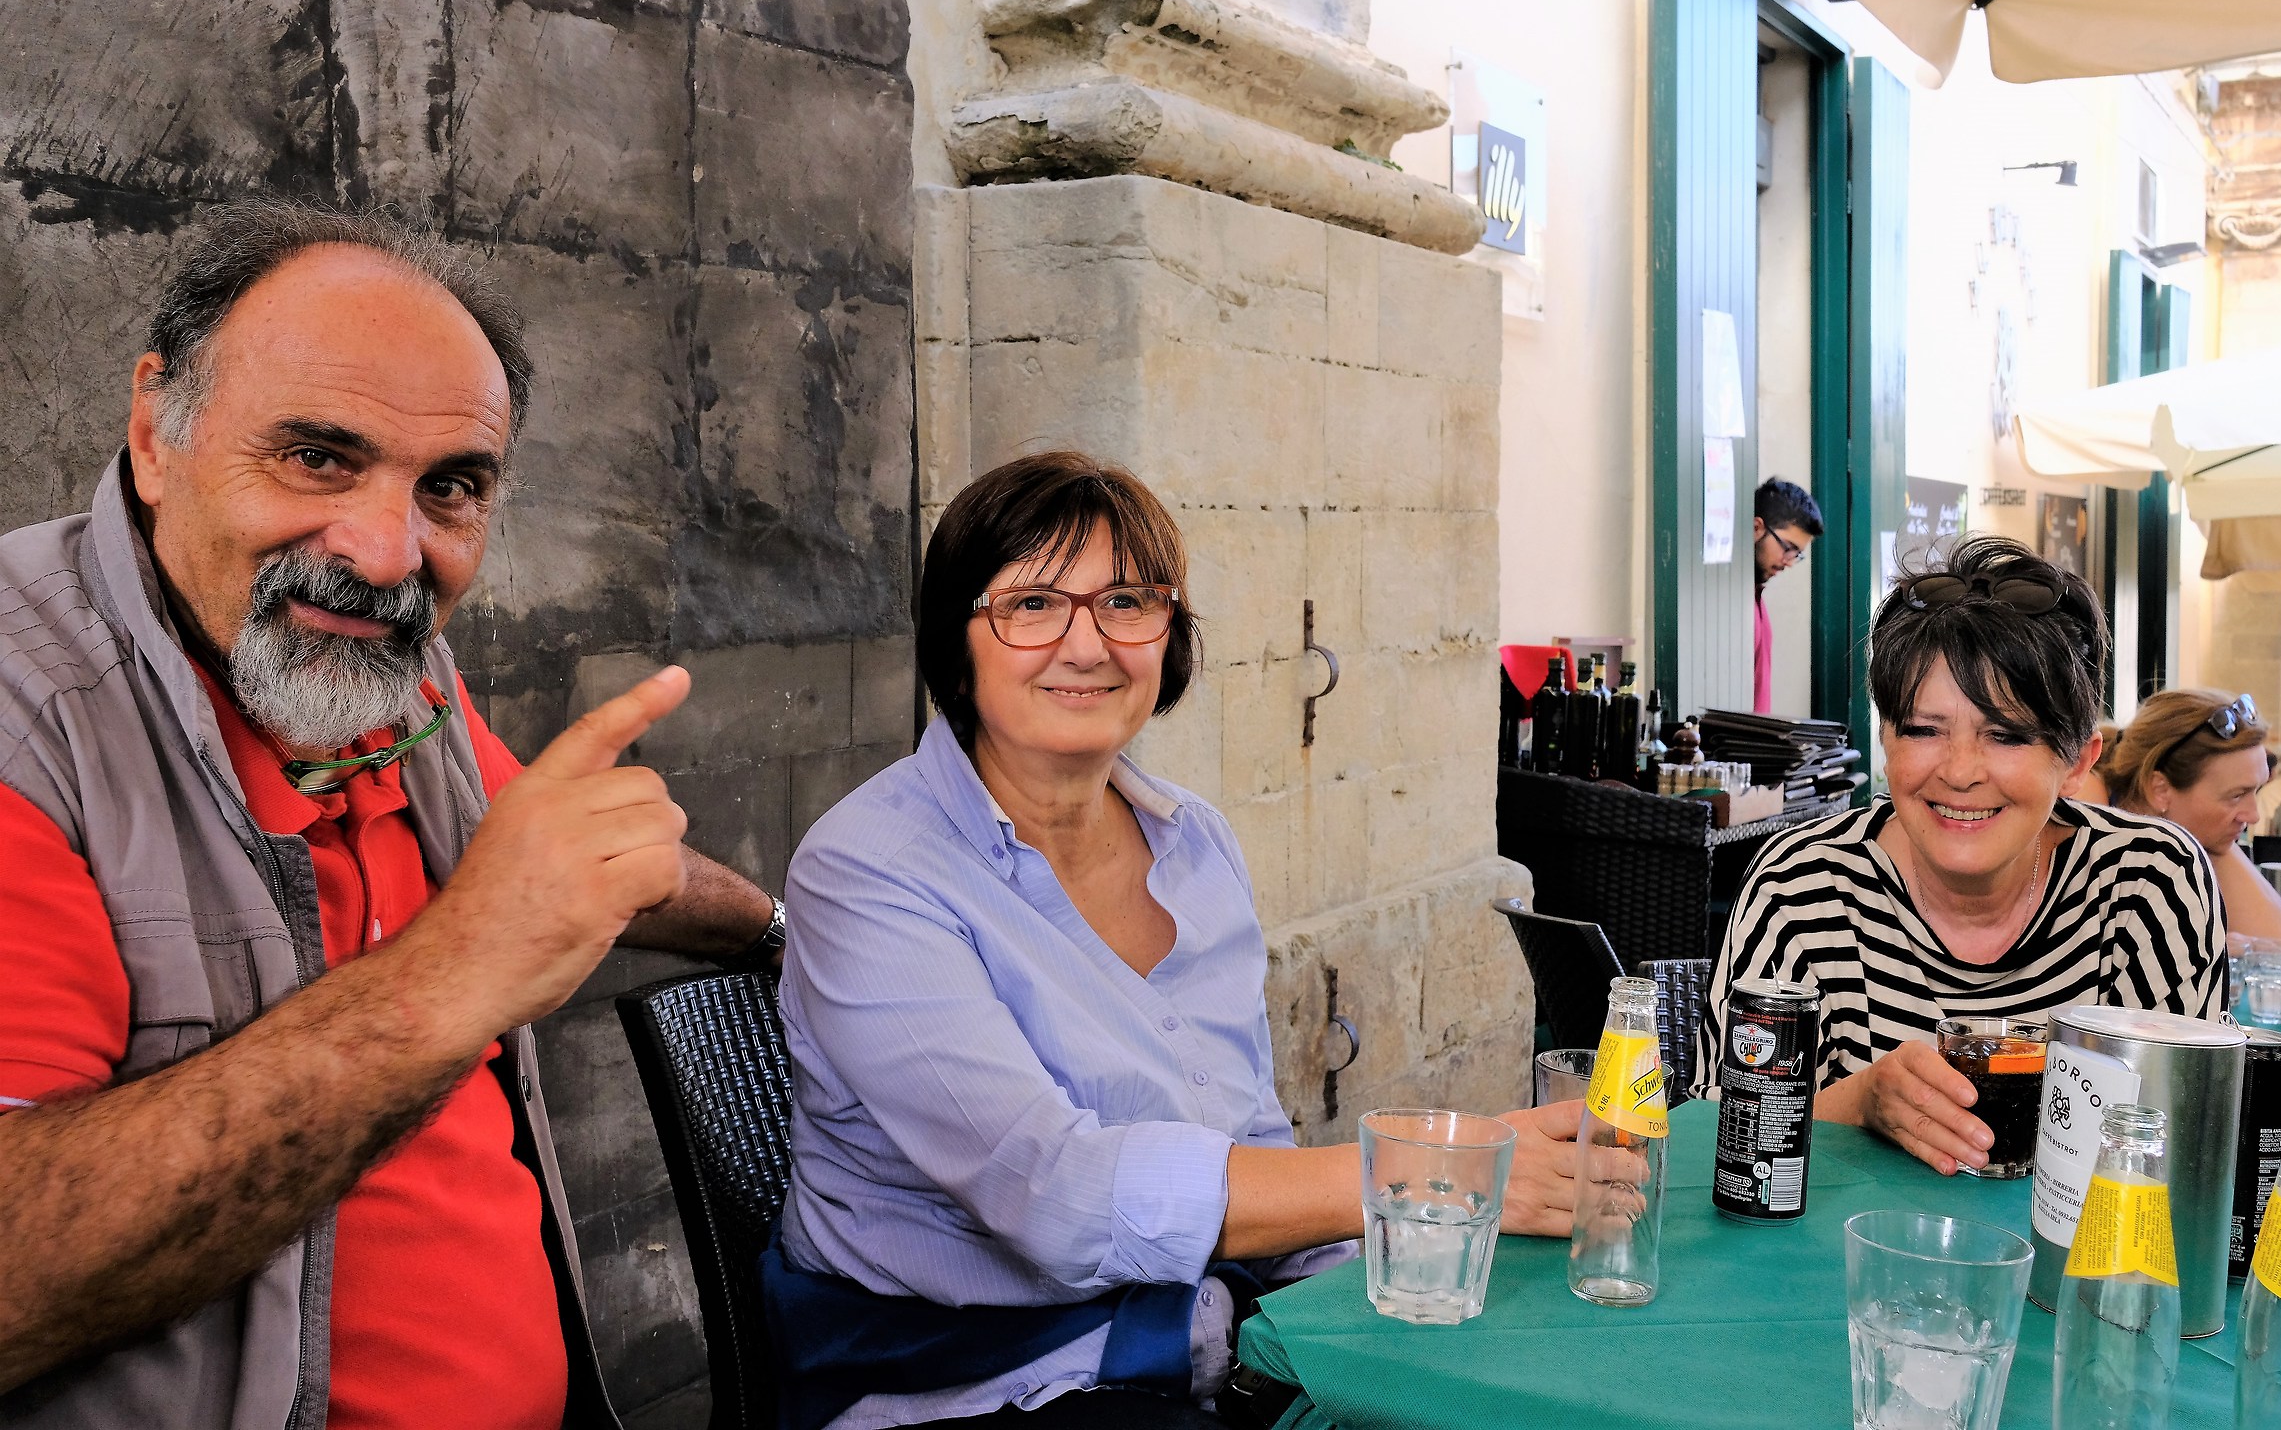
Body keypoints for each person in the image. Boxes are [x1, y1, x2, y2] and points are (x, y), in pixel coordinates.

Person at [0, 202, 781, 1425]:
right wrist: (452, 974)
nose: (382, 551)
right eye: (317, 456)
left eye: (451, 487)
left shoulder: (387, 676)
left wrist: (776, 931)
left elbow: (593, 860)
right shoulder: (30, 720)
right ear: (156, 431)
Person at [771, 452, 1581, 1428]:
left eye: (1125, 601)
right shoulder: (870, 869)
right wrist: (1432, 1166)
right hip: (965, 1380)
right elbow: (1054, 1199)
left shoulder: (1192, 840)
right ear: (957, 640)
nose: (1087, 645)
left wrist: (1382, 1287)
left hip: (1199, 1346)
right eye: (1031, 605)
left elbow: (1248, 1145)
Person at [1698, 534, 2225, 1177]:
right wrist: (1863, 1102)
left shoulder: (2147, 883)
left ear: (2077, 764)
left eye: (2006, 735)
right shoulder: (1801, 887)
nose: (1961, 772)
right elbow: (1716, 1140)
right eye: (1924, 730)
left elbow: (2183, 1147)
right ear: (1886, 742)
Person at [2093, 690, 2281, 942]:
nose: (2253, 815)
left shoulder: (2195, 833)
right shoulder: (2086, 815)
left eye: (2257, 790)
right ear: (2160, 790)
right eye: (2236, 795)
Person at [1753, 478, 1824, 714]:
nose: (1789, 562)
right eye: (1788, 547)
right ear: (1756, 528)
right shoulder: (1732, 602)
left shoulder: (1757, 597)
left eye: (1797, 554)